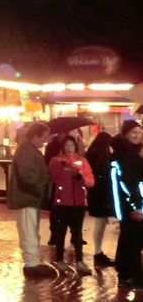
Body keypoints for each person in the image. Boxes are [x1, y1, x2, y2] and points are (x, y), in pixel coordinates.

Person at [8, 122, 55, 277]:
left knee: (29, 230)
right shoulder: (27, 151)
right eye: (44, 137)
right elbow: (27, 176)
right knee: (29, 230)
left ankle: (32, 261)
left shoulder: (28, 149)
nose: (46, 140)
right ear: (36, 135)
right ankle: (31, 264)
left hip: (29, 197)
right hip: (28, 197)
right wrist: (40, 187)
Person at [48, 135, 94, 275]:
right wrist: (63, 168)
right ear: (63, 147)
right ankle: (59, 260)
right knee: (60, 232)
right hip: (63, 203)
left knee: (77, 233)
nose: (69, 148)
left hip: (79, 203)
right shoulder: (56, 161)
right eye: (67, 145)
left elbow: (91, 181)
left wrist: (78, 174)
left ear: (75, 147)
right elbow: (54, 177)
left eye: (72, 145)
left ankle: (79, 261)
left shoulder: (82, 161)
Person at [110, 119, 143, 287]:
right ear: (125, 135)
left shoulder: (127, 153)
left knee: (128, 239)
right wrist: (139, 206)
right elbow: (129, 183)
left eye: (140, 132)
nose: (138, 135)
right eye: (134, 133)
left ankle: (125, 273)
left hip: (125, 206)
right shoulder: (127, 155)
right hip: (130, 206)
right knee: (134, 240)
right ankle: (134, 276)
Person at [85, 131, 115, 266]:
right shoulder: (103, 156)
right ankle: (98, 252)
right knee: (100, 223)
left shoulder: (91, 154)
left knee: (100, 223)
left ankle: (98, 251)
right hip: (102, 194)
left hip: (95, 193)